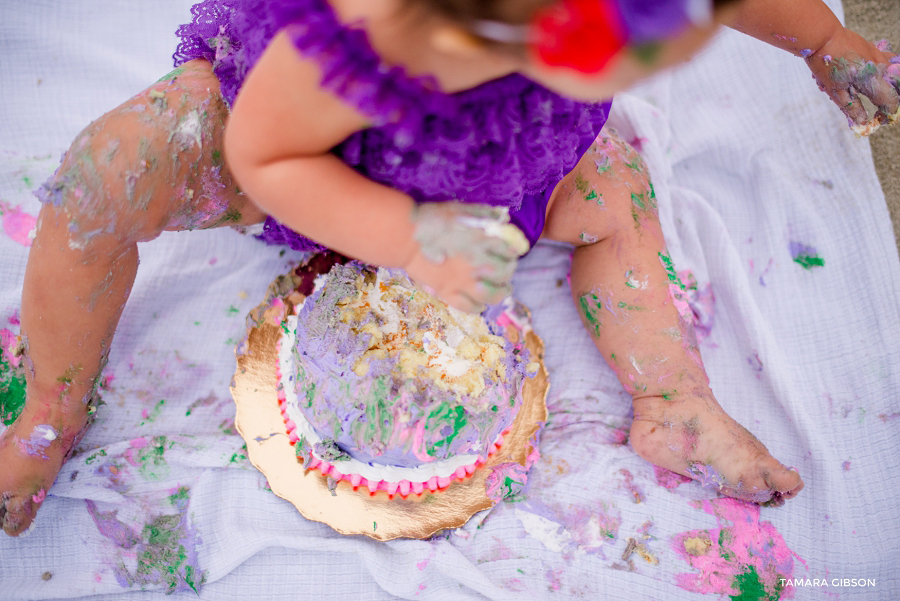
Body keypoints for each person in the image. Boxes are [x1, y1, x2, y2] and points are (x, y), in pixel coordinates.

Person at [1, 0, 897, 537]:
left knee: (616, 194)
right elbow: (272, 153)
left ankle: (674, 397)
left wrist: (822, 40)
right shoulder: (371, 25)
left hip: (509, 158)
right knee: (103, 178)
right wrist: (410, 235)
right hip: (308, 154)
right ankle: (48, 407)